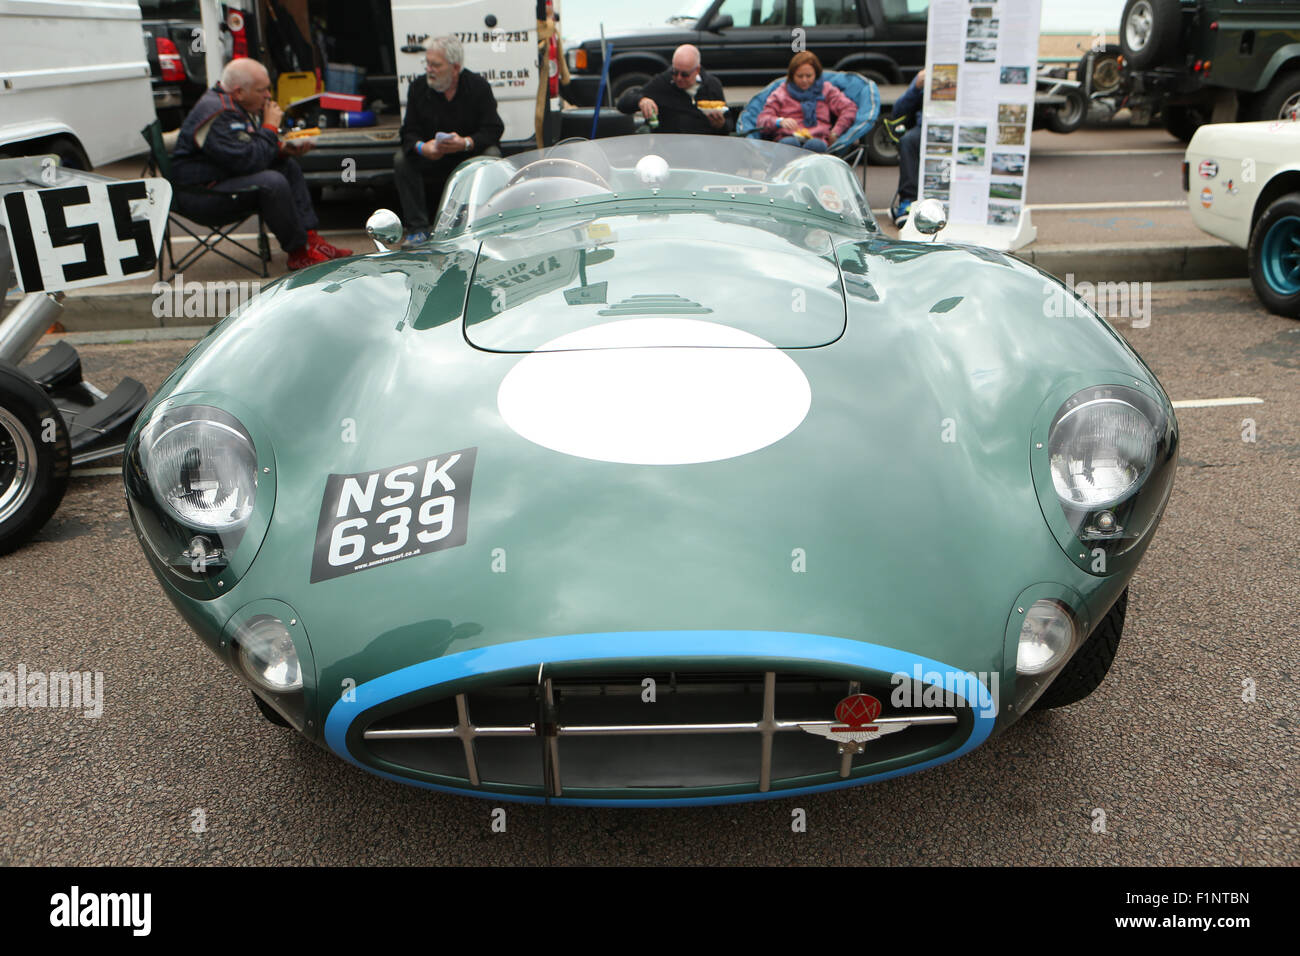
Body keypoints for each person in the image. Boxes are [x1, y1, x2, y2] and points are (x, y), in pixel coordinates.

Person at [170, 58, 349, 271]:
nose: (268, 96)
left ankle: (311, 239)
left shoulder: (231, 103)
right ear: (238, 92)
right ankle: (299, 253)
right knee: (272, 182)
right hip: (201, 194)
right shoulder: (220, 114)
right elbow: (248, 162)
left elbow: (246, 155)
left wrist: (281, 150)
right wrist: (270, 128)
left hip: (221, 179)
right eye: (261, 90)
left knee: (286, 166)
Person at [396, 35, 505, 246]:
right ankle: (418, 229)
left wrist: (466, 142)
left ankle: (483, 223)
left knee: (492, 155)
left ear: (455, 68)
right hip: (433, 156)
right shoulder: (418, 88)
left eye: (436, 65)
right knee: (402, 160)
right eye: (427, 63)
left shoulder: (478, 87)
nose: (429, 69)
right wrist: (422, 147)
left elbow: (494, 128)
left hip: (467, 154)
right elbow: (408, 132)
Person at [756, 52, 857, 153]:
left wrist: (836, 132)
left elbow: (849, 109)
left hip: (818, 139)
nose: (804, 80)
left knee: (815, 145)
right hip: (788, 138)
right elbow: (762, 119)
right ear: (792, 76)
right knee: (790, 144)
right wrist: (779, 121)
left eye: (809, 76)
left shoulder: (826, 90)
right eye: (800, 76)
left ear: (816, 74)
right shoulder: (781, 92)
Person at [616, 45, 728, 135]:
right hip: (668, 148)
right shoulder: (662, 83)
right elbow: (622, 105)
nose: (678, 78)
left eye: (685, 74)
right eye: (674, 72)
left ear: (697, 70)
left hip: (704, 147)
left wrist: (721, 125)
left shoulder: (712, 85)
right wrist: (641, 100)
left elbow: (728, 126)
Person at [889, 69, 926, 227]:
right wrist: (916, 87)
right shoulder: (925, 76)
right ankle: (908, 201)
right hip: (926, 127)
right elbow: (898, 112)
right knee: (908, 141)